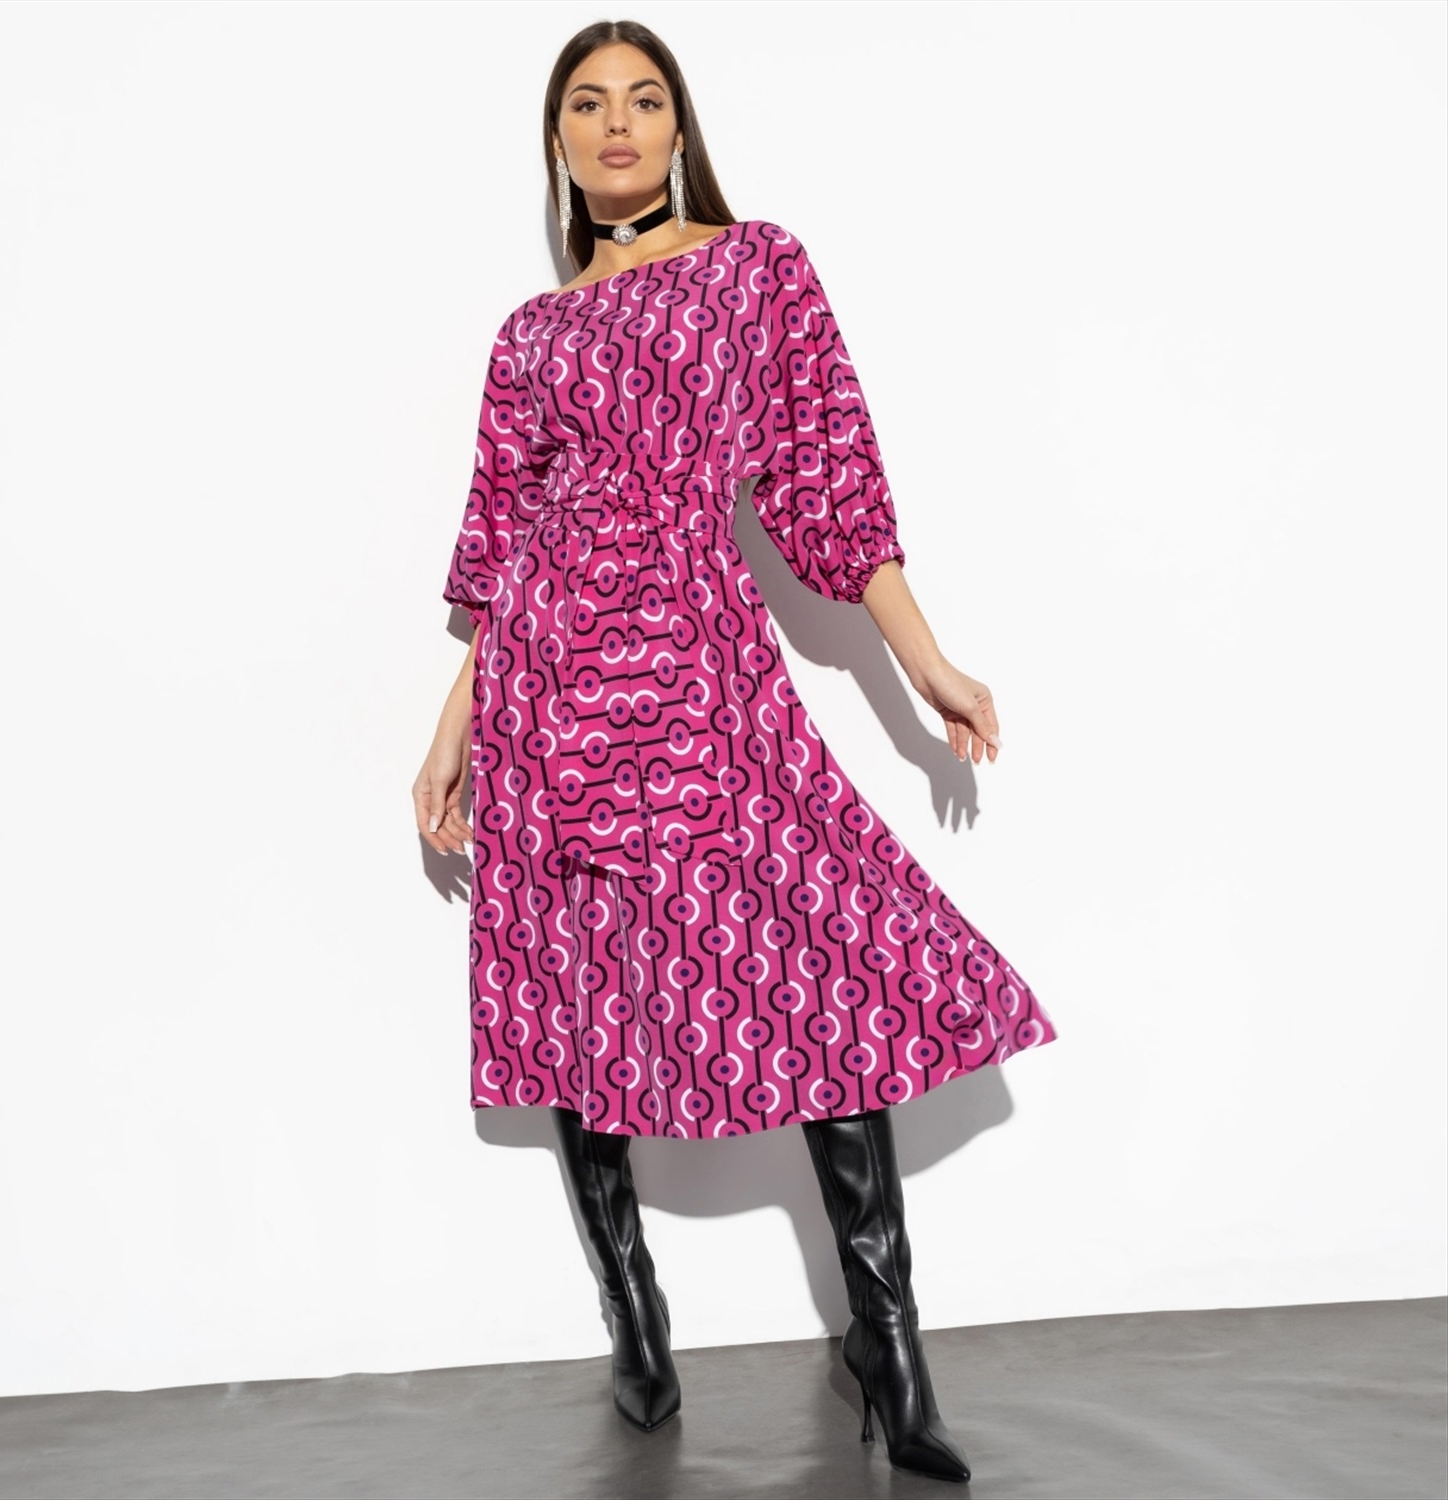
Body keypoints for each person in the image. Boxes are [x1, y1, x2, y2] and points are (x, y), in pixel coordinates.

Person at [412, 18, 1058, 1485]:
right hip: (546, 692)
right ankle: (636, 1322)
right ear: (560, 142)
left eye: (646, 99)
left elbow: (829, 472)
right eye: (589, 103)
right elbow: (502, 550)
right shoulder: (530, 336)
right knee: (576, 988)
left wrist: (927, 659)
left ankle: (888, 1349)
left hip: (700, 663)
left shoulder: (757, 266)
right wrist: (450, 734)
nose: (619, 123)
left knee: (817, 959)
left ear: (680, 127)